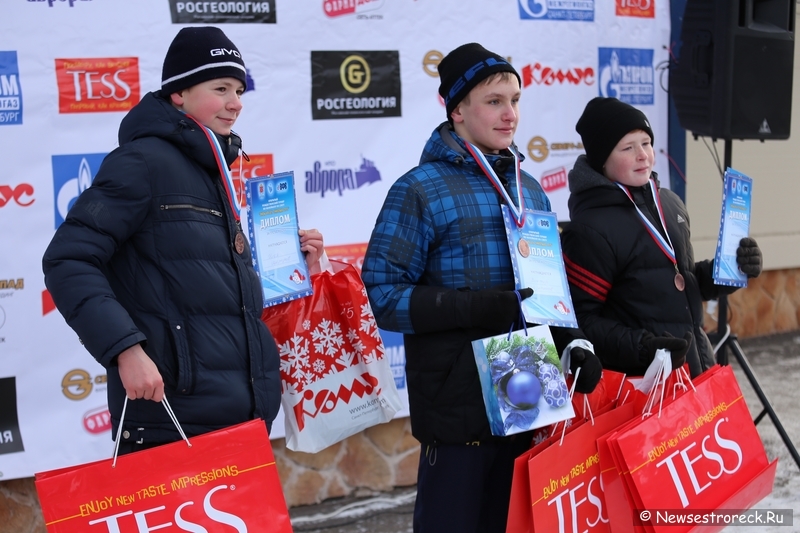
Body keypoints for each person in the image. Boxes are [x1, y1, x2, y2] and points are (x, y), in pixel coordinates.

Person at [42, 27, 324, 454]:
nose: (236, 103)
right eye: (221, 88)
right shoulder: (141, 162)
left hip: (239, 417)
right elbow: (68, 259)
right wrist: (125, 350)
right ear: (179, 94)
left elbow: (205, 285)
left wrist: (297, 262)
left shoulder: (214, 168)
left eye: (240, 90)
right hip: (170, 419)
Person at [360, 43, 602, 533]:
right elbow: (381, 296)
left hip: (528, 389)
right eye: (494, 101)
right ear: (457, 110)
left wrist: (573, 342)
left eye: (514, 100)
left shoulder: (528, 187)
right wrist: (472, 309)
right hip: (458, 402)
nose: (509, 113)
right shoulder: (419, 189)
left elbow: (549, 291)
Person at [561, 97, 762, 378]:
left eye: (646, 143)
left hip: (696, 367)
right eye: (628, 148)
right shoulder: (590, 228)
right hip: (642, 384)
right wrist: (643, 348)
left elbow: (685, 281)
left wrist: (731, 269)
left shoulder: (670, 203)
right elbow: (581, 320)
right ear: (602, 160)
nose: (642, 154)